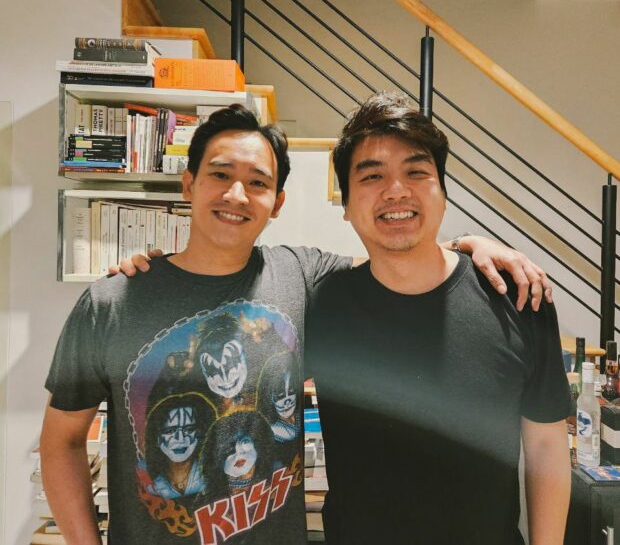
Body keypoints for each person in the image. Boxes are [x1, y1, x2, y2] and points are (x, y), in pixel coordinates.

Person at [41, 104, 553, 545]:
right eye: (220, 175)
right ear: (189, 183)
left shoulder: (302, 277)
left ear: (277, 202)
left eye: (258, 183)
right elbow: (61, 441)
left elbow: (400, 254)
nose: (237, 195)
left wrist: (471, 245)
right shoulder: (111, 302)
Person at [306, 93, 571, 544]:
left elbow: (546, 444)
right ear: (346, 205)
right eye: (372, 176)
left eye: (416, 172)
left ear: (443, 195)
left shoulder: (518, 295)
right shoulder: (322, 303)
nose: (396, 191)